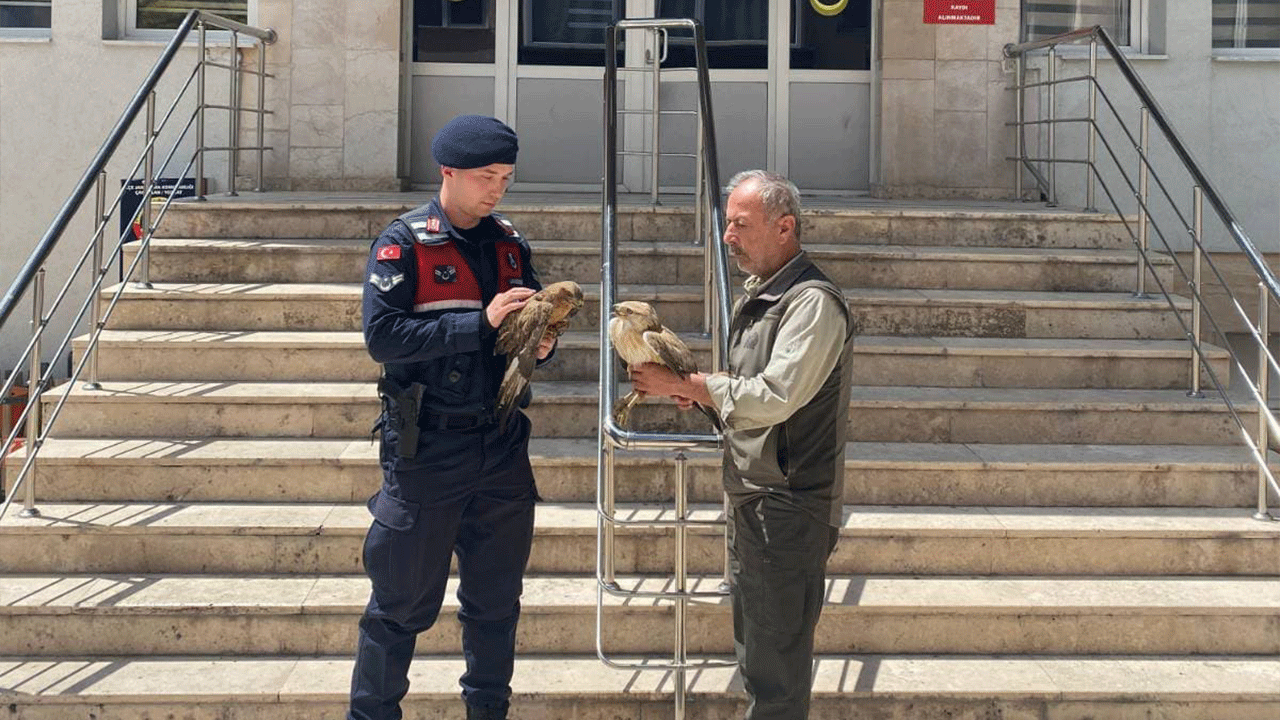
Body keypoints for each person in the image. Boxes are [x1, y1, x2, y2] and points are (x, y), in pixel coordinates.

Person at [349, 114, 554, 720]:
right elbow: (383, 336)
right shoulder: (404, 244)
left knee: (496, 607)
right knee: (398, 609)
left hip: (501, 448)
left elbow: (532, 320)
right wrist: (482, 322)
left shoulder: (510, 244)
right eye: (486, 176)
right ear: (449, 173)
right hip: (426, 451)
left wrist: (540, 341)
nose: (497, 189)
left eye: (507, 178)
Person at [629, 169, 854, 720]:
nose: (727, 236)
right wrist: (704, 396)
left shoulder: (810, 302)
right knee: (760, 660)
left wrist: (690, 385)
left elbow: (777, 397)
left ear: (785, 227)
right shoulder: (767, 296)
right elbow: (754, 398)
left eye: (740, 224)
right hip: (760, 500)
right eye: (727, 223)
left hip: (789, 506)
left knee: (774, 673)